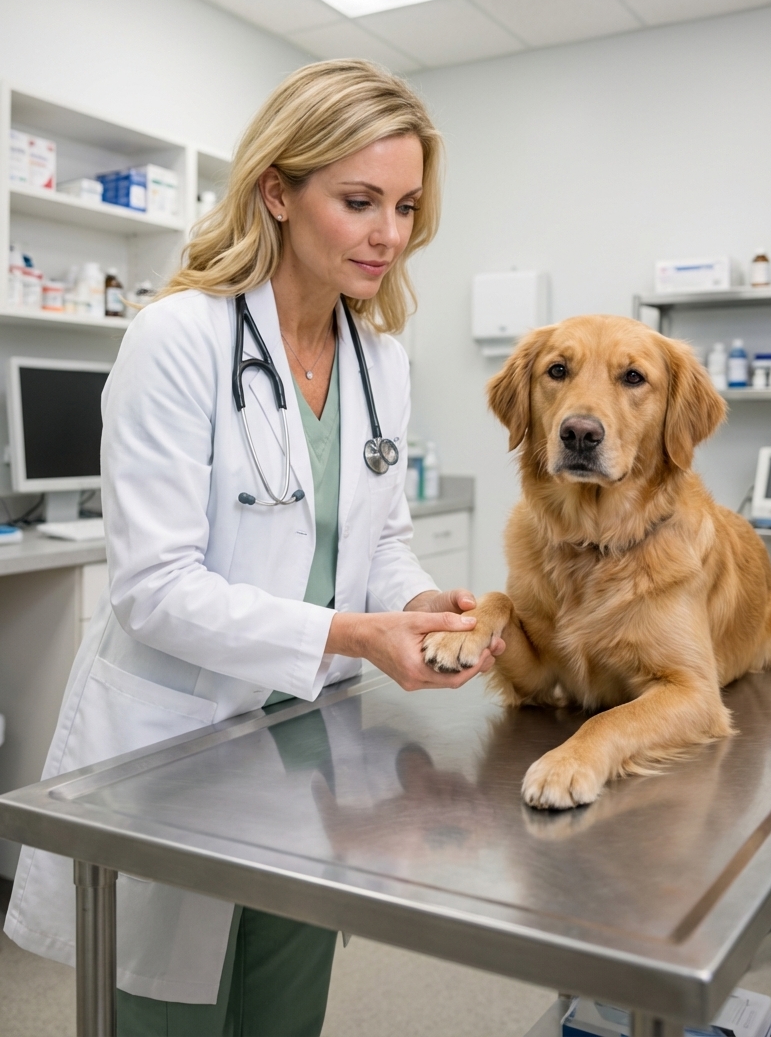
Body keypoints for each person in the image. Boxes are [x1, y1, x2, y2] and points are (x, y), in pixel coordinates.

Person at [4, 60, 505, 1035]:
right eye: (358, 201)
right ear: (277, 189)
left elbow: (378, 539)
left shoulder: (380, 361)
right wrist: (356, 634)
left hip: (313, 755)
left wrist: (420, 607)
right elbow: (154, 589)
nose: (389, 235)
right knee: (170, 1012)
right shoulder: (178, 339)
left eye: (405, 206)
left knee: (283, 1011)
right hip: (178, 750)